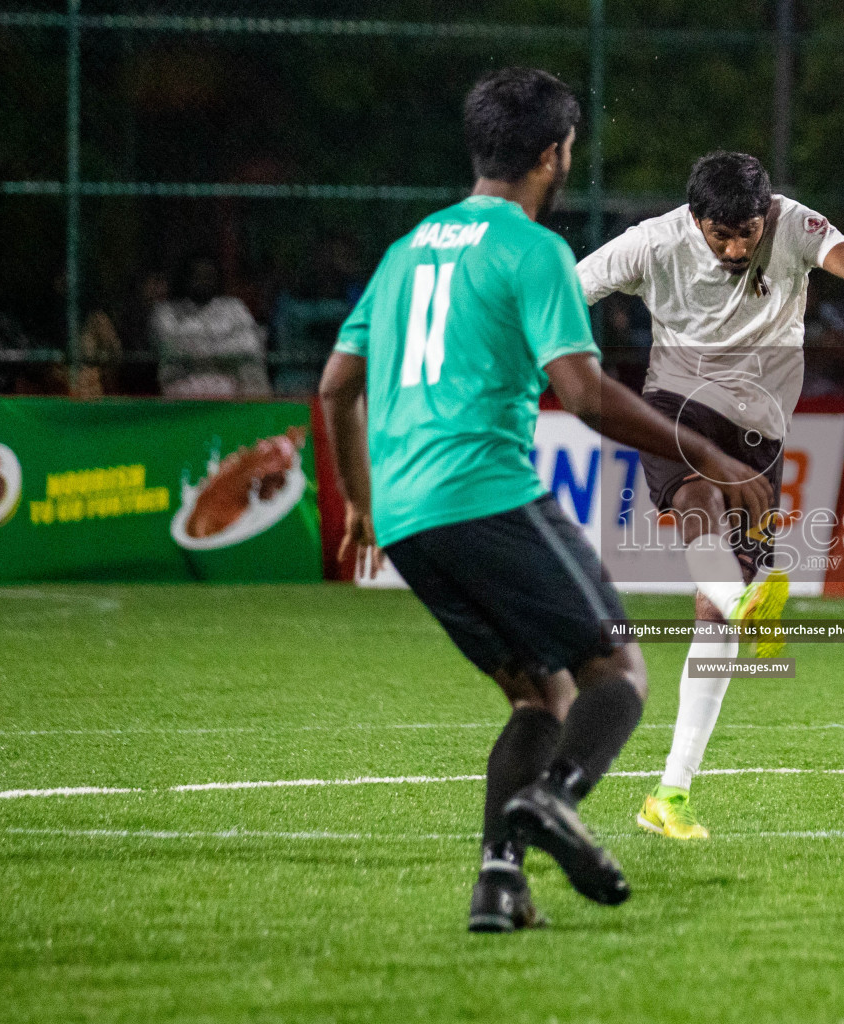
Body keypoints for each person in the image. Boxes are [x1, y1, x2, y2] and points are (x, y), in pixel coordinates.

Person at [319, 69, 769, 933]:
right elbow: (586, 394)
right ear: (552, 154)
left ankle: (499, 884)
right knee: (618, 673)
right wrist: (709, 450)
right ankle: (558, 799)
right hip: (482, 492)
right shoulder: (531, 251)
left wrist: (361, 504)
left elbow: (339, 386)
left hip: (410, 518)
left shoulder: (406, 248)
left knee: (539, 698)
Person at [577, 150, 844, 840]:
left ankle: (669, 796)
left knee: (714, 616)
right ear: (695, 218)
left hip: (759, 433)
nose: (738, 248)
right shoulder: (653, 243)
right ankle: (748, 603)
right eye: (721, 235)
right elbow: (565, 288)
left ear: (767, 215)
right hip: (678, 404)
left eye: (749, 233)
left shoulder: (791, 224)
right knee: (695, 501)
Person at [153, 255, 272, 399]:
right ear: (186, 278)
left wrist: (198, 346)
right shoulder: (166, 311)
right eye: (198, 276)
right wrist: (225, 344)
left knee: (252, 374)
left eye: (208, 276)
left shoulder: (235, 307)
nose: (203, 281)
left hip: (230, 388)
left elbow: (249, 346)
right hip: (183, 390)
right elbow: (173, 348)